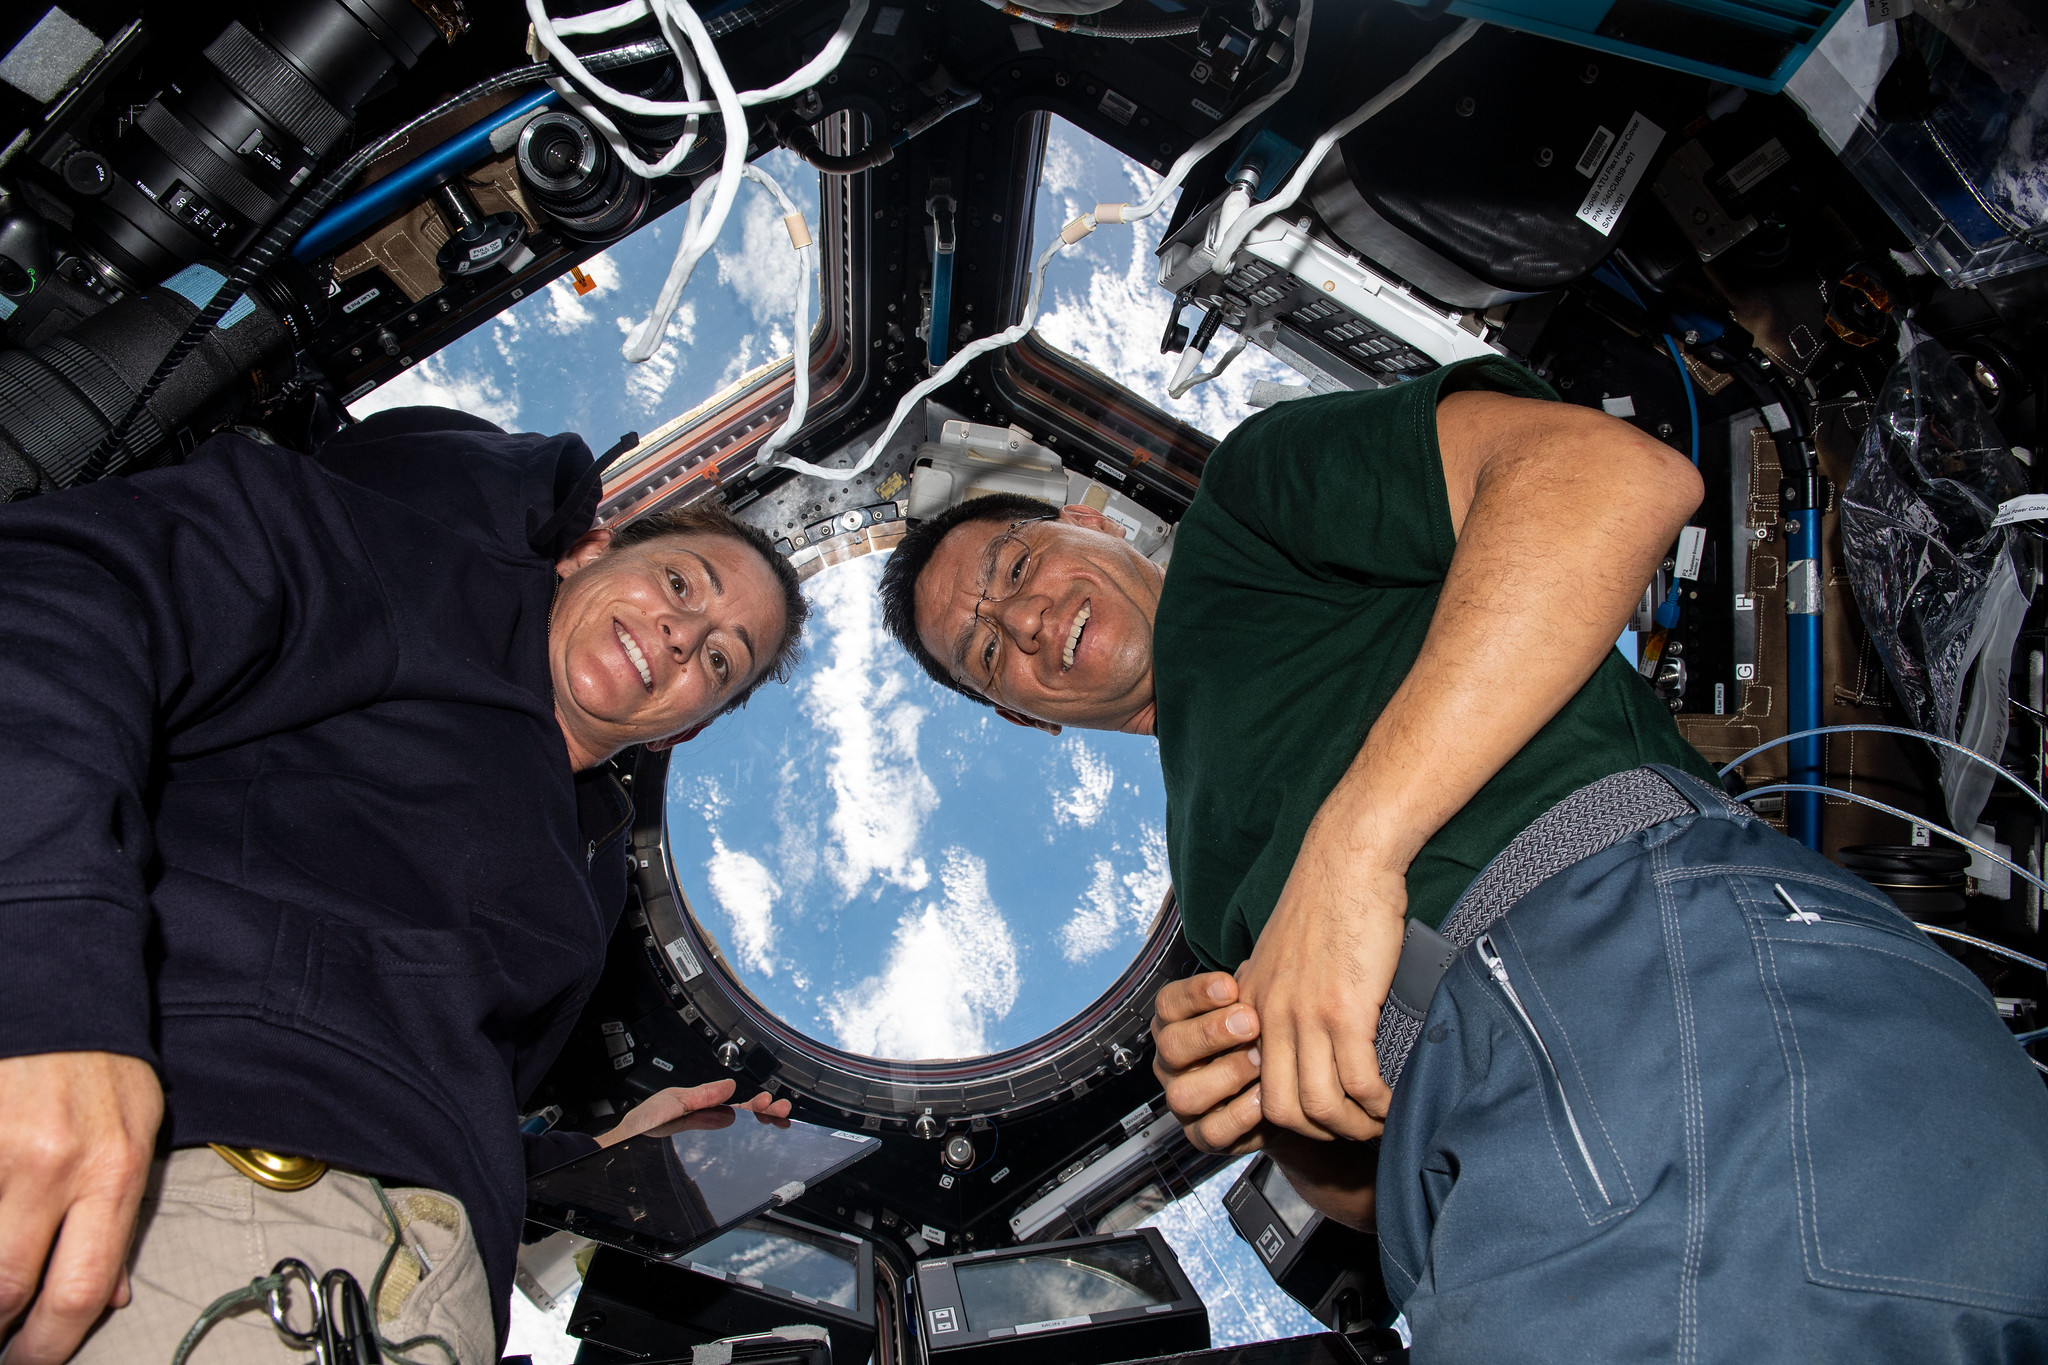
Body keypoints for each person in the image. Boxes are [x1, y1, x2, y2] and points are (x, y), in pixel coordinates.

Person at [877, 357, 2048, 1358]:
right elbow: (1348, 1192)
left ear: (1085, 521)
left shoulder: (1246, 515)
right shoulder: (1202, 880)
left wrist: (1353, 850)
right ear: (1027, 716)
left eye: (1014, 568)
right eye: (987, 651)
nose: (1022, 622)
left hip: (1631, 979)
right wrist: (1269, 1100)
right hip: (1470, 1198)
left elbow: (1607, 478)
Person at [0, 406, 809, 1365]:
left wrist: (598, 1158)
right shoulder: (402, 567)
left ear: (684, 727)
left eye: (720, 659)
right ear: (585, 551)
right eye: (682, 581)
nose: (684, 635)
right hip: (211, 1187)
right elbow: (64, 597)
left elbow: (431, 1079)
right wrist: (51, 993)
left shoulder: (589, 892)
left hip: (441, 1298)